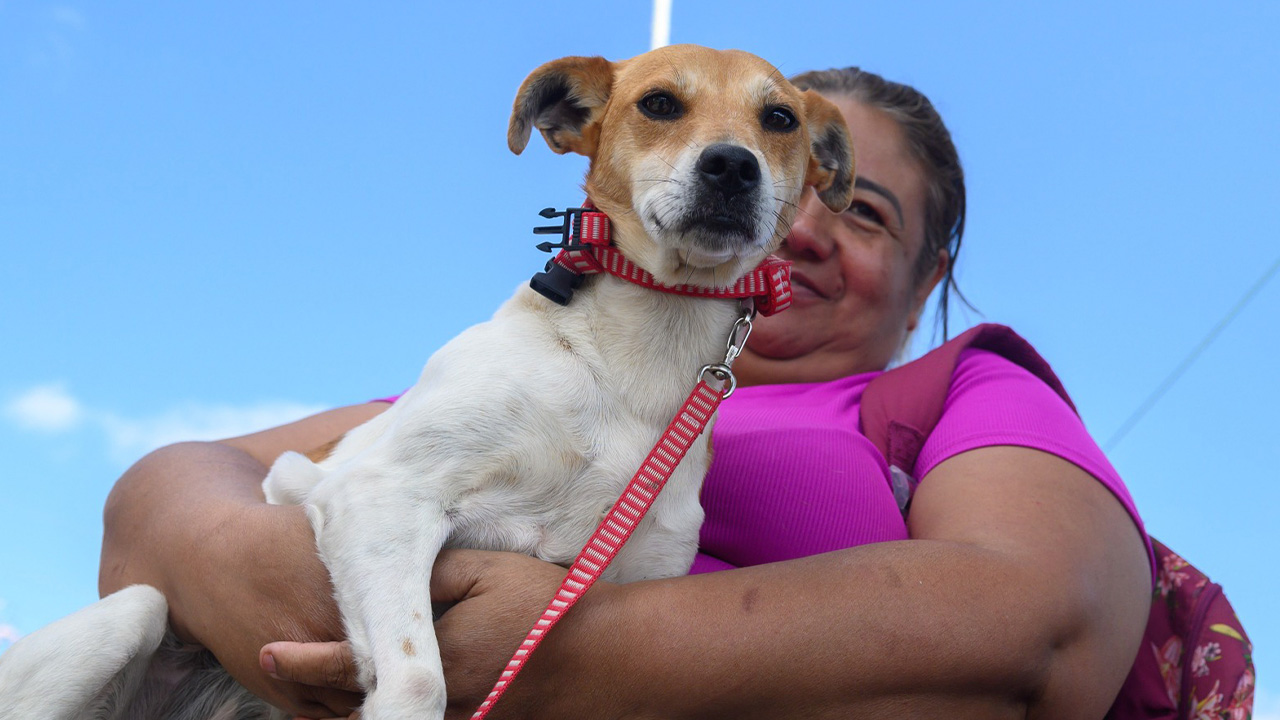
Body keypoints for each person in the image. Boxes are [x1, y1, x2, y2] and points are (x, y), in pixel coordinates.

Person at [99, 67, 1154, 719]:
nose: (802, 222)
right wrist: (246, 567)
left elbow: (1040, 628)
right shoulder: (525, 362)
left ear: (926, 280)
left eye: (863, 211)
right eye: (687, 131)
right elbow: (175, 487)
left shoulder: (953, 385)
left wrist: (563, 653)